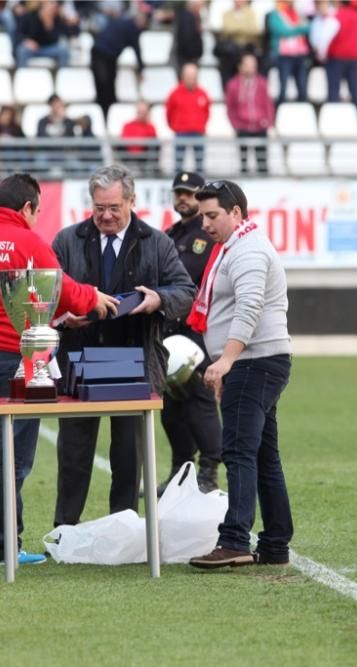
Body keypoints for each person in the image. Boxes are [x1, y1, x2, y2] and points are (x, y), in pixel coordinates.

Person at [0, 173, 117, 565]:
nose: (37, 218)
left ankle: (0, 544)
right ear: (26, 207)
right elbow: (59, 287)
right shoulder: (25, 241)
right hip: (15, 358)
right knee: (14, 458)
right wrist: (93, 298)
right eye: (37, 211)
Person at [51, 164, 196, 527]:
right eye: (99, 208)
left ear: (132, 201)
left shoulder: (157, 242)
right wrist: (65, 314)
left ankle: (126, 527)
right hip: (78, 360)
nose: (106, 216)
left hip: (136, 360)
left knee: (129, 454)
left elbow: (185, 292)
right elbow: (46, 292)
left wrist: (157, 300)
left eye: (114, 207)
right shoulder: (67, 240)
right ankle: (64, 529)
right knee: (73, 452)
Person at [187, 180, 294, 570]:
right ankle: (276, 542)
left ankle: (234, 540)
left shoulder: (246, 250)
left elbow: (249, 307)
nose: (206, 224)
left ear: (236, 213)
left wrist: (226, 361)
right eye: (203, 216)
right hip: (261, 361)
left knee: (238, 451)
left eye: (212, 215)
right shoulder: (241, 247)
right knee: (264, 455)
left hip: (253, 362)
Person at [160, 171, 222, 494]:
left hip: (198, 329)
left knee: (199, 397)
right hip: (169, 330)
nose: (183, 198)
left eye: (190, 193)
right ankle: (180, 469)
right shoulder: (169, 235)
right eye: (179, 192)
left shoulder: (209, 235)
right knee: (170, 406)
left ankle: (209, 471)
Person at [90, 10, 147, 116]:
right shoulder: (132, 28)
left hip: (101, 54)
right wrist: (141, 69)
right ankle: (105, 113)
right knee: (105, 86)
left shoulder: (122, 22)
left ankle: (107, 114)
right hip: (103, 56)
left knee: (105, 87)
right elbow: (137, 50)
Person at [225, 53, 273, 175]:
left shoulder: (262, 83)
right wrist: (236, 125)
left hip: (260, 126)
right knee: (243, 164)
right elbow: (230, 107)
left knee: (262, 163)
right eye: (248, 65)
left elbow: (268, 103)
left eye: (253, 65)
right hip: (242, 127)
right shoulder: (233, 85)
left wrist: (268, 122)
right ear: (240, 66)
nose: (251, 68)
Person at [166, 63, 211, 174]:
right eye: (189, 76)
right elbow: (169, 113)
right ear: (183, 76)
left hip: (198, 133)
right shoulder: (174, 94)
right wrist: (176, 127)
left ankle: (201, 186)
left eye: (194, 76)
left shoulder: (202, 93)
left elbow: (207, 112)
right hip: (181, 133)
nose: (192, 79)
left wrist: (200, 125)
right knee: (178, 164)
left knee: (200, 165)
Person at [325, 0, 357, 111]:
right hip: (353, 58)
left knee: (333, 92)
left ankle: (332, 120)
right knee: (355, 91)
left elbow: (327, 38)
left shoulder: (335, 16)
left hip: (336, 58)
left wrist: (324, 55)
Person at [267, 0, 311, 104]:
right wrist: (298, 29)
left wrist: (292, 29)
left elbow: (308, 28)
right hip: (284, 56)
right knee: (283, 88)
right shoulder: (274, 15)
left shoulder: (298, 13)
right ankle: (278, 112)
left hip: (300, 55)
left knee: (302, 87)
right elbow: (282, 31)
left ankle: (303, 110)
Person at [214, 0, 262, 94]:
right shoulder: (227, 14)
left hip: (247, 48)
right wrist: (244, 29)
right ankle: (228, 91)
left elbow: (254, 30)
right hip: (232, 50)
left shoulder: (251, 13)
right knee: (226, 62)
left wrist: (236, 29)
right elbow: (227, 29)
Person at [15, 0, 76, 68]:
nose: (50, 9)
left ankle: (63, 74)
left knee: (63, 50)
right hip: (32, 49)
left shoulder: (56, 19)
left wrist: (48, 24)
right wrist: (27, 41)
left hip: (48, 49)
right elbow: (19, 34)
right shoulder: (30, 15)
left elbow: (56, 39)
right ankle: (22, 74)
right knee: (22, 50)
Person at [0, 105, 27, 176]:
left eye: (9, 115)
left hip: (14, 154)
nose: (7, 117)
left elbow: (24, 142)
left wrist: (13, 141)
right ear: (0, 115)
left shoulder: (16, 129)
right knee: (7, 152)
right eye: (5, 114)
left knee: (17, 153)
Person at [118, 101, 159, 176]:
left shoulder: (150, 127)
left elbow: (152, 142)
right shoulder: (127, 125)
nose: (141, 114)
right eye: (140, 112)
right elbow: (125, 141)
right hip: (129, 154)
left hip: (144, 155)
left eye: (144, 112)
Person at [173, 0, 204, 73]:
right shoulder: (186, 18)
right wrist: (193, 55)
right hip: (187, 58)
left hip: (190, 57)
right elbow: (186, 38)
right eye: (198, 6)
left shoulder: (192, 17)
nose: (199, 9)